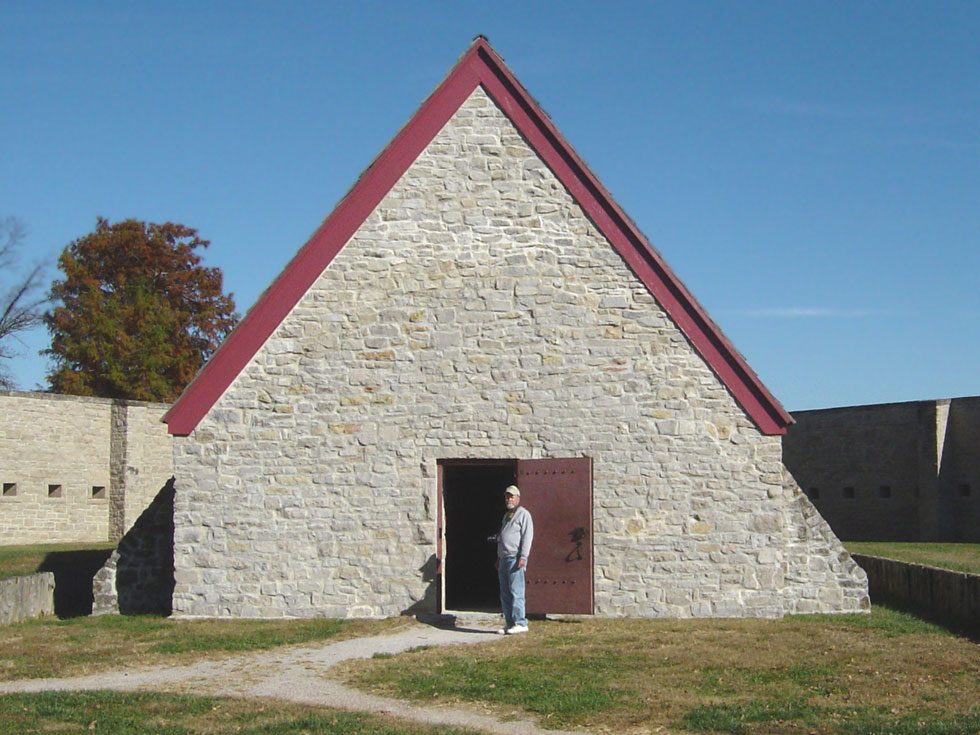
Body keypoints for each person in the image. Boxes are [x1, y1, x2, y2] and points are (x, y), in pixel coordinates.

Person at [496, 484, 533, 634]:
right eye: (507, 496)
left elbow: (527, 536)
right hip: (504, 558)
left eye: (511, 496)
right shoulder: (507, 516)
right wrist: (498, 557)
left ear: (518, 498)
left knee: (516, 590)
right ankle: (510, 623)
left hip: (515, 558)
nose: (509, 499)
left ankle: (520, 622)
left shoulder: (523, 514)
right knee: (505, 592)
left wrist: (523, 557)